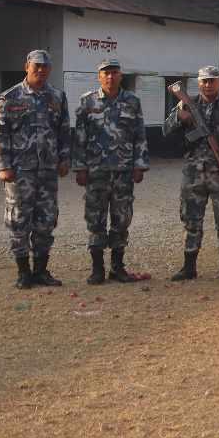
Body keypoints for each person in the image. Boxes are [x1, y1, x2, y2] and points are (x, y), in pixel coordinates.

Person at [0, 49, 71, 288]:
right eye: (36, 66)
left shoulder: (57, 97)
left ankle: (41, 271)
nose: (41, 70)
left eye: (45, 66)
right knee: (19, 220)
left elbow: (64, 131)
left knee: (46, 221)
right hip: (20, 172)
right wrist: (3, 166)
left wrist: (64, 159)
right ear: (27, 66)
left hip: (47, 171)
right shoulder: (10, 97)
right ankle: (23, 273)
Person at [163, 66, 219, 282]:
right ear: (198, 83)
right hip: (193, 173)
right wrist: (179, 118)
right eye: (204, 81)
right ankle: (189, 267)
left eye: (212, 80)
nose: (208, 85)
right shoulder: (186, 103)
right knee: (191, 220)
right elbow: (165, 130)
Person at [73, 58, 149, 285]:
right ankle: (97, 269)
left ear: (120, 76)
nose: (110, 76)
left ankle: (117, 267)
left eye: (114, 72)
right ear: (99, 77)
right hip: (96, 172)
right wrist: (80, 167)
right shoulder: (87, 101)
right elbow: (79, 137)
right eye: (105, 73)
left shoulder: (132, 101)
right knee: (95, 219)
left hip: (123, 171)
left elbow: (140, 135)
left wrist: (139, 164)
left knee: (121, 219)